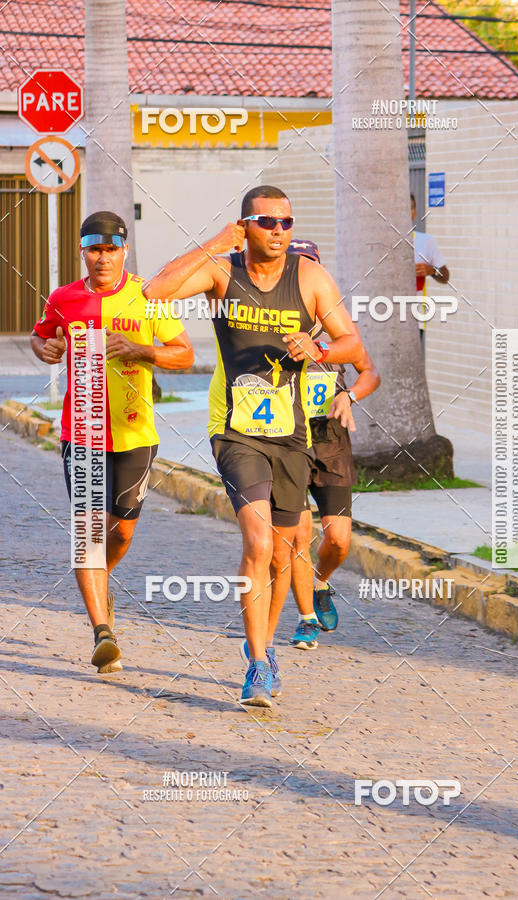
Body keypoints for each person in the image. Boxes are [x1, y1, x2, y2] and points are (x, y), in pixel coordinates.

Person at [143, 186, 362, 707]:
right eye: (268, 222)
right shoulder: (222, 272)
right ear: (246, 225)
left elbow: (354, 345)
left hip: (292, 435)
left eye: (287, 222)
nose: (280, 232)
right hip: (236, 431)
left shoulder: (309, 277)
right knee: (258, 546)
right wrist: (216, 241)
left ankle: (264, 644)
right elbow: (156, 291)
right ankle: (258, 664)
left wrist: (321, 347)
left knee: (285, 557)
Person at [31, 211, 193, 673]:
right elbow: (41, 336)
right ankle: (103, 632)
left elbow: (185, 354)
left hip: (134, 431)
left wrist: (141, 350)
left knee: (120, 531)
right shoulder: (64, 298)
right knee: (88, 533)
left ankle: (102, 582)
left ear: (124, 250)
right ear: (82, 251)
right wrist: (43, 348)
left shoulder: (147, 297)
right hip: (80, 430)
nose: (102, 258)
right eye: (93, 249)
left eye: (111, 249)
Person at [286, 239, 381, 649]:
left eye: (311, 266)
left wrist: (350, 395)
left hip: (330, 436)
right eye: (297, 266)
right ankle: (306, 618)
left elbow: (369, 372)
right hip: (285, 436)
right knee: (298, 531)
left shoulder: (336, 325)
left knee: (339, 538)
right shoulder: (270, 323)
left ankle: (320, 581)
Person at [410, 193, 450, 350]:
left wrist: (431, 270)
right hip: (383, 315)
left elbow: (445, 275)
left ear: (415, 212)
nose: (408, 212)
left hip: (416, 317)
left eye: (411, 208)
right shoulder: (382, 242)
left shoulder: (425, 241)